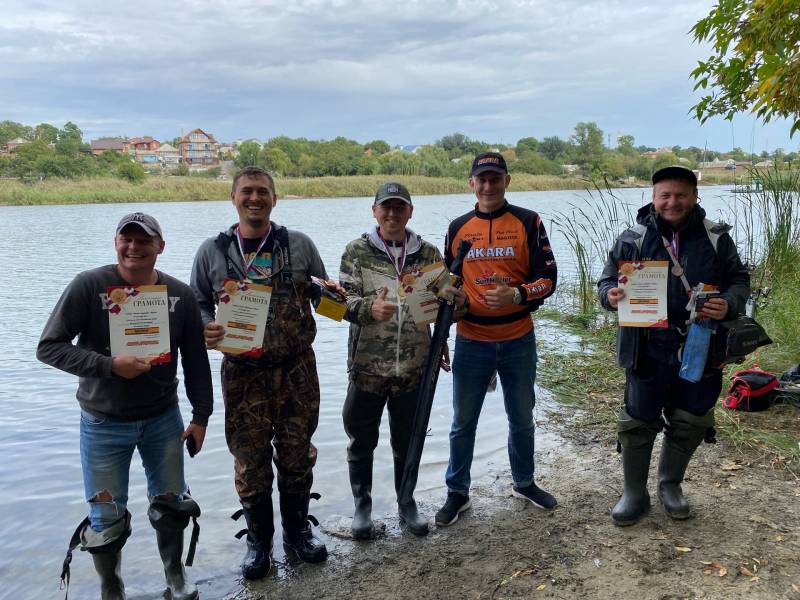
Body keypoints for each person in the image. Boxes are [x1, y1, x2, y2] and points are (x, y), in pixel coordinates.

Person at [37, 212, 212, 600]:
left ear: (160, 247)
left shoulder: (179, 295)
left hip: (163, 420)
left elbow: (197, 363)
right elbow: (48, 348)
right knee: (105, 519)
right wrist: (108, 366)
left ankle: (175, 577)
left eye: (144, 240)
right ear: (116, 243)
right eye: (126, 239)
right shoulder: (88, 285)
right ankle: (111, 587)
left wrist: (201, 417)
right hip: (102, 423)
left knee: (172, 505)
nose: (134, 247)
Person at [191, 166, 337, 579]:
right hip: (242, 373)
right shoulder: (212, 252)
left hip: (296, 369)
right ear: (233, 198)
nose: (254, 198)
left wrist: (344, 301)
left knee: (297, 454)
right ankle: (259, 544)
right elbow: (197, 304)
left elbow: (326, 298)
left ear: (275, 198)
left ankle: (297, 534)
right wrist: (205, 326)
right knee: (249, 460)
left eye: (263, 192)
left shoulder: (300, 245)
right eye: (246, 192)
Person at [598, 165, 750, 526]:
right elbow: (605, 280)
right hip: (646, 345)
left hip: (703, 344)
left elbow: (739, 280)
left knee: (692, 416)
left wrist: (729, 302)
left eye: (681, 195)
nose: (672, 202)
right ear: (653, 198)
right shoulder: (631, 239)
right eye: (665, 195)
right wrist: (611, 295)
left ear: (695, 197)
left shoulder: (716, 238)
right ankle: (634, 492)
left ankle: (670, 485)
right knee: (637, 418)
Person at [435, 152, 558, 527]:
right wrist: (452, 304)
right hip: (471, 339)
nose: (488, 186)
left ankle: (523, 482)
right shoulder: (458, 227)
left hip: (518, 337)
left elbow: (549, 279)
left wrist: (518, 294)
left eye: (495, 178)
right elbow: (447, 282)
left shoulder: (528, 221)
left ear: (507, 180)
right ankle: (457, 492)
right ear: (471, 184)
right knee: (462, 422)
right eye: (481, 179)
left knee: (521, 417)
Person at [339, 182, 456, 538]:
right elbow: (337, 304)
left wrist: (452, 299)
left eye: (399, 207)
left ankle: (407, 501)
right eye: (385, 207)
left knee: (408, 439)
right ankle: (363, 505)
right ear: (374, 211)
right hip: (368, 368)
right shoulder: (356, 251)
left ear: (410, 212)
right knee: (361, 439)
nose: (392, 214)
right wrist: (366, 307)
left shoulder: (429, 253)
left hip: (415, 367)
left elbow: (447, 300)